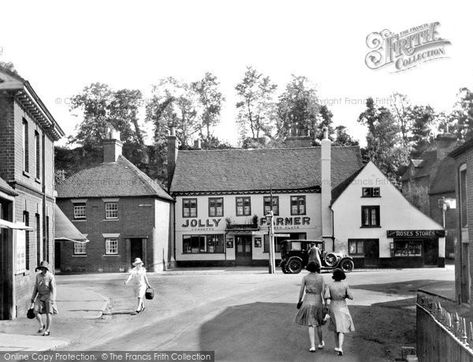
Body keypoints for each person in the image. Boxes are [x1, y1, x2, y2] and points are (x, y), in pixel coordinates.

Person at [295, 261, 326, 352]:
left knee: (310, 324)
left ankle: (312, 346)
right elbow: (323, 291)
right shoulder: (321, 278)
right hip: (317, 300)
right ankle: (320, 343)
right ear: (317, 268)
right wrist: (325, 303)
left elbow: (301, 291)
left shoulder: (305, 277)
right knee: (318, 324)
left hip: (307, 300)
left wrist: (299, 300)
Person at [324, 268, 355, 356]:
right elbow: (351, 297)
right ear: (342, 276)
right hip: (342, 306)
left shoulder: (330, 285)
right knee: (341, 329)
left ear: (334, 276)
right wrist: (344, 295)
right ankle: (340, 347)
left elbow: (326, 296)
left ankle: (337, 346)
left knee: (335, 328)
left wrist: (327, 308)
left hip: (333, 306)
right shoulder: (345, 285)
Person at [30, 261, 57, 336]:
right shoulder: (38, 276)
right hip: (40, 295)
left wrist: (53, 299)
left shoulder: (50, 276)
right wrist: (33, 297)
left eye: (44, 268)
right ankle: (42, 325)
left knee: (49, 313)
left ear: (46, 269)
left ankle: (47, 330)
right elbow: (36, 287)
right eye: (41, 268)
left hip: (48, 296)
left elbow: (53, 288)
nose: (42, 269)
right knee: (35, 311)